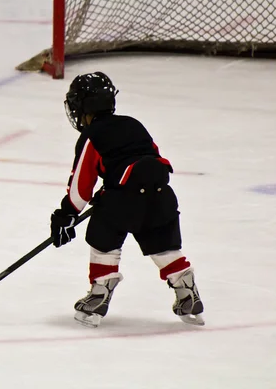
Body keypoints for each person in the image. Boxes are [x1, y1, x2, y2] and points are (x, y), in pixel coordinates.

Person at [50, 72, 204, 328]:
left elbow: (81, 186)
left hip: (122, 203)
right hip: (161, 195)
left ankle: (99, 294)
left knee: (104, 239)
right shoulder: (133, 124)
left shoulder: (92, 135)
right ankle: (186, 289)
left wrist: (65, 214)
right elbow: (148, 158)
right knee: (162, 245)